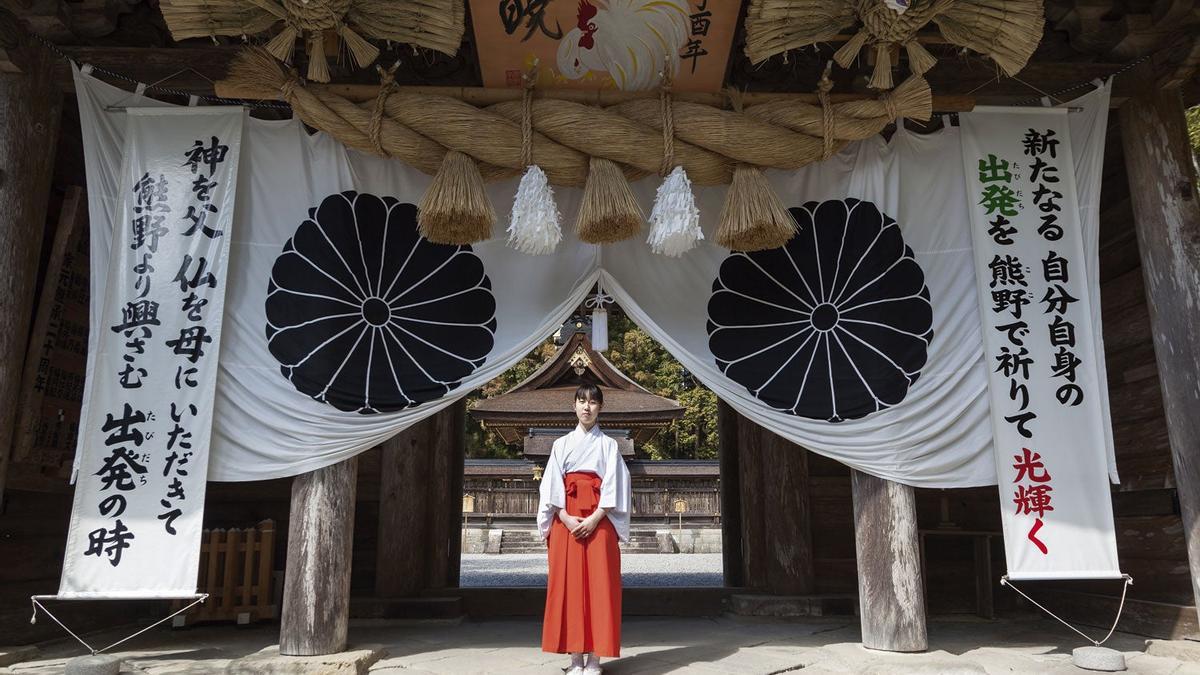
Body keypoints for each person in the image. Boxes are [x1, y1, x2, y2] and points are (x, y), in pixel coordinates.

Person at [537, 383, 632, 675]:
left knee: (599, 587)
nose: (586, 407)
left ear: (600, 407)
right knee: (569, 587)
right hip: (567, 521)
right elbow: (551, 485)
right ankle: (575, 658)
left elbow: (616, 484)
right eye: (581, 401)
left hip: (600, 522)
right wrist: (563, 516)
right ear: (574, 406)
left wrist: (595, 518)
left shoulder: (609, 446)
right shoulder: (561, 445)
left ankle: (594, 659)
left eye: (592, 402)